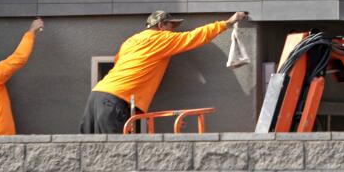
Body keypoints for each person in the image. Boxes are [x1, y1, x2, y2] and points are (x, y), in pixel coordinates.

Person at [80, 9, 248, 134]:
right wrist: (229, 22)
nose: (173, 30)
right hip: (115, 101)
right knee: (115, 154)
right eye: (171, 25)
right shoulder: (162, 38)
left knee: (87, 150)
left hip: (97, 95)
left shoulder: (131, 41)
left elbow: (118, 62)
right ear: (160, 25)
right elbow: (195, 36)